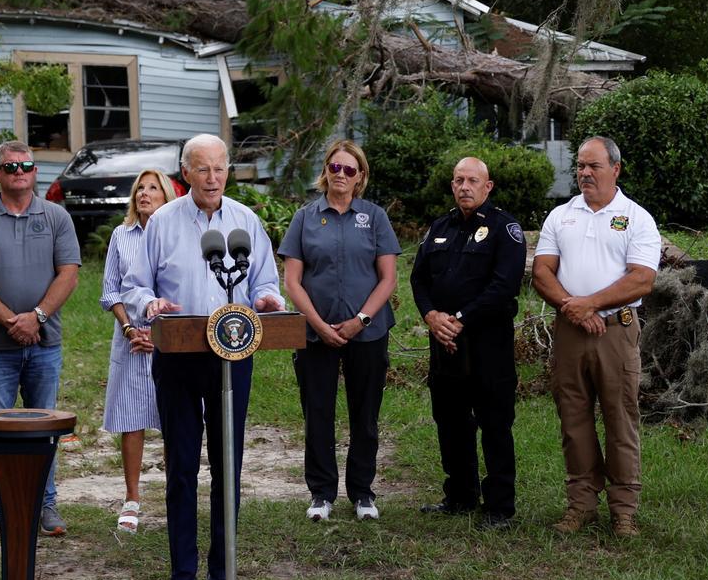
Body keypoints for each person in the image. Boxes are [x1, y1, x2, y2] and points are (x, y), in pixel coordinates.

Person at [122, 133, 285, 580]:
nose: (213, 178)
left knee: (227, 467)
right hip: (176, 356)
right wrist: (149, 302)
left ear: (227, 171)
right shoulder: (163, 223)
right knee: (182, 467)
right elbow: (135, 285)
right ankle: (182, 574)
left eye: (220, 168)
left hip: (232, 354)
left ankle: (222, 571)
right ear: (185, 173)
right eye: (203, 169)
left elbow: (266, 281)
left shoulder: (245, 221)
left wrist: (266, 299)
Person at [532, 136, 660, 538]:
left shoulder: (636, 217)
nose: (585, 173)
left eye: (594, 166)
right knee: (574, 420)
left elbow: (642, 279)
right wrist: (575, 306)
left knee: (620, 417)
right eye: (581, 167)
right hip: (571, 331)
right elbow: (542, 272)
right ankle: (581, 504)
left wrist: (591, 303)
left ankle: (624, 510)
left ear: (615, 170)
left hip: (617, 332)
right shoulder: (561, 216)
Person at [0, 141, 82, 541]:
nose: (19, 172)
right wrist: (12, 321)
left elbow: (69, 274)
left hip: (45, 345)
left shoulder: (57, 217)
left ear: (35, 171)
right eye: (10, 167)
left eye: (26, 165)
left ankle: (44, 503)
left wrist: (38, 316)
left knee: (45, 428)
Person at [278, 140, 399, 523]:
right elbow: (293, 281)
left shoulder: (375, 217)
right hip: (316, 333)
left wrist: (359, 320)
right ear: (325, 170)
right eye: (335, 167)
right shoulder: (306, 217)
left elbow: (388, 279)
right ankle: (321, 493)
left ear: (360, 176)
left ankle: (362, 492)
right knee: (318, 413)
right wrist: (317, 324)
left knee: (365, 414)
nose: (341, 175)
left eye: (350, 170)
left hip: (367, 331)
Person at [410, 157, 525, 528]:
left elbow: (503, 287)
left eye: (473, 180)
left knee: (494, 421)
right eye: (459, 180)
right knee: (450, 420)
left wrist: (459, 319)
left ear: (487, 187)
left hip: (487, 342)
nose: (464, 186)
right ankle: (459, 495)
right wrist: (431, 316)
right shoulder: (440, 227)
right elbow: (418, 279)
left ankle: (499, 506)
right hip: (445, 343)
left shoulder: (504, 228)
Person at [99, 168, 176, 533]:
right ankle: (131, 498)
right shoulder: (121, 235)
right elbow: (111, 291)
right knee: (132, 420)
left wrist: (159, 335)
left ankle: (177, 493)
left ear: (167, 195)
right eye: (140, 188)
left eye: (153, 188)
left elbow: (181, 290)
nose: (145, 193)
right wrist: (131, 329)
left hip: (172, 342)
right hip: (130, 340)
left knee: (174, 420)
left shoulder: (179, 234)